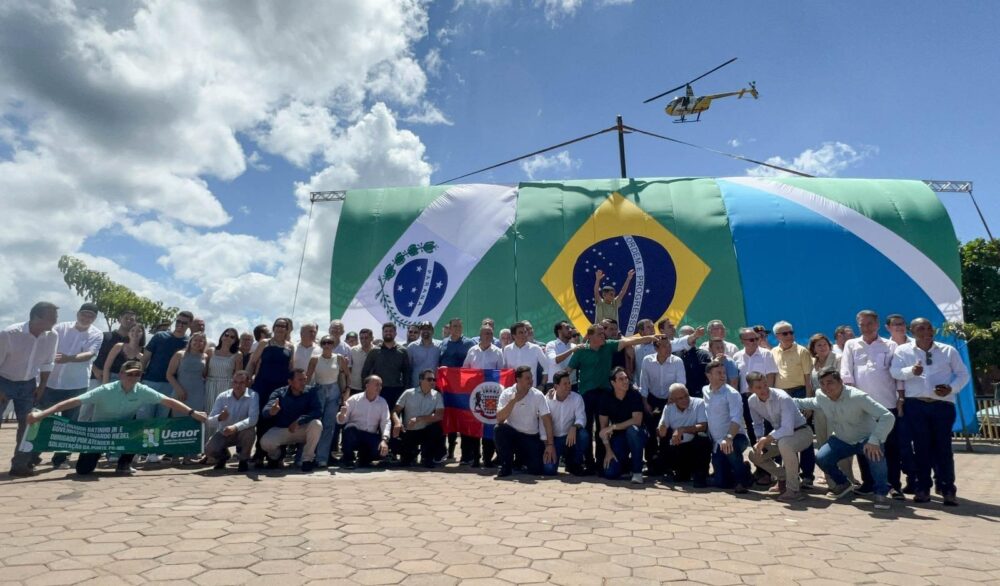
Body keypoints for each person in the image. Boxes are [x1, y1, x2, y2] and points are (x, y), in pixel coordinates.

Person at [24, 360, 208, 476]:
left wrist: (193, 413)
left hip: (124, 432)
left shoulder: (143, 390)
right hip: (98, 433)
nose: (133, 377)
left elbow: (168, 401)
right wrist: (42, 414)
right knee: (83, 471)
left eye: (137, 374)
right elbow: (73, 402)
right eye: (130, 374)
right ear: (121, 375)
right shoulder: (105, 390)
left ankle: (124, 464)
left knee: (140, 427)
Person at [890, 318, 970, 506]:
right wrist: (911, 371)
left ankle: (948, 488)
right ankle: (922, 488)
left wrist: (951, 388)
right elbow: (895, 372)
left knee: (943, 448)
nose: (926, 331)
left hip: (942, 405)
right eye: (921, 328)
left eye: (929, 328)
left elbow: (963, 374)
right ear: (912, 330)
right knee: (921, 448)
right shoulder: (903, 350)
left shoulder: (947, 350)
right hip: (916, 405)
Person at [794, 368, 895, 510]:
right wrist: (781, 399)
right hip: (843, 440)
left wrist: (875, 439)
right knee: (822, 458)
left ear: (841, 382)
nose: (826, 387)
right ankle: (843, 484)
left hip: (867, 440)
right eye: (822, 383)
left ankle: (881, 493)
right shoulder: (822, 396)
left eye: (830, 383)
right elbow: (809, 403)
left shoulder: (858, 396)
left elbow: (887, 416)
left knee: (876, 456)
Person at [566, 324, 660, 473]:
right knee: (587, 428)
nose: (603, 336)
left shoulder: (609, 346)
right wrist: (555, 386)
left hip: (604, 393)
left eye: (604, 334)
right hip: (587, 395)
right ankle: (589, 463)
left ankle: (602, 461)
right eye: (599, 334)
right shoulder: (580, 351)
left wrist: (651, 337)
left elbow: (630, 342)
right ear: (590, 337)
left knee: (602, 429)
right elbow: (568, 370)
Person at [841, 310, 908, 499]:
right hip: (862, 406)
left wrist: (901, 398)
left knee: (891, 447)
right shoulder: (851, 344)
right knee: (864, 446)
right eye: (862, 324)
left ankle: (894, 485)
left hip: (887, 404)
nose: (866, 327)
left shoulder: (891, 345)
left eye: (870, 323)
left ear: (877, 324)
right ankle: (869, 483)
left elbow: (898, 375)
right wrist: (851, 400)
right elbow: (846, 372)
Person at [37, 303, 103, 469]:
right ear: (77, 313)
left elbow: (89, 354)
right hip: (51, 382)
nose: (86, 318)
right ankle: (32, 454)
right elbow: (45, 346)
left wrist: (69, 358)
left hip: (76, 384)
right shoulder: (60, 328)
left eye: (91, 316)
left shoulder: (96, 333)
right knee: (40, 418)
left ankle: (61, 458)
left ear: (94, 318)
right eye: (84, 314)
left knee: (69, 423)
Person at [2, 302, 59, 476]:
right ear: (37, 317)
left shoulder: (52, 336)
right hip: (3, 380)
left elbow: (48, 363)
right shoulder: (9, 334)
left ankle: (20, 465)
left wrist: (42, 386)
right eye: (52, 318)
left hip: (28, 384)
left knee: (27, 426)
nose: (56, 321)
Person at [746, 372, 813, 502]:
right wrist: (760, 440)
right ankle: (783, 477)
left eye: (765, 385)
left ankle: (793, 490)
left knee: (785, 444)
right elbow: (758, 424)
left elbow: (787, 429)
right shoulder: (752, 401)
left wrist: (767, 439)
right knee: (753, 454)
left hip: (802, 432)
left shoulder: (782, 397)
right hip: (780, 436)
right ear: (751, 389)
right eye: (758, 388)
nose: (764, 390)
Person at [770, 321, 816, 489]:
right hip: (781, 395)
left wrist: (809, 403)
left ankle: (808, 476)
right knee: (782, 436)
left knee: (804, 435)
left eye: (791, 332)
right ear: (777, 337)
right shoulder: (773, 352)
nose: (789, 335)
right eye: (785, 333)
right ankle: (785, 477)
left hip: (800, 393)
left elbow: (808, 380)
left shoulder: (802, 351)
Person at [807, 333, 855, 486]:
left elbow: (843, 382)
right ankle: (829, 476)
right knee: (822, 441)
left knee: (838, 441)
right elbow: (810, 385)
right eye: (818, 345)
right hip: (819, 407)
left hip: (836, 405)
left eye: (824, 344)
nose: (822, 347)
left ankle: (846, 477)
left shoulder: (838, 359)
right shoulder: (813, 363)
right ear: (813, 349)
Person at [247, 317, 295, 466]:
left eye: (284, 326)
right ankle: (259, 454)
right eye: (278, 325)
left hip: (280, 388)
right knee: (262, 419)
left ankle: (277, 456)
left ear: (288, 329)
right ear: (273, 328)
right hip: (263, 385)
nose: (280, 328)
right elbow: (252, 362)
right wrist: (247, 378)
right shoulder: (264, 343)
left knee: (278, 419)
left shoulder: (290, 347)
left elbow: (290, 368)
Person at [494, 366, 556, 478]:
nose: (531, 380)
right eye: (527, 378)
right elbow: (500, 418)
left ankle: (520, 461)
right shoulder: (507, 393)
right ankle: (506, 466)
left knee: (537, 470)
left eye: (531, 377)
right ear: (518, 379)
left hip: (531, 437)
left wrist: (550, 445)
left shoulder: (537, 395)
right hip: (513, 435)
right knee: (499, 429)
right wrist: (513, 401)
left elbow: (547, 420)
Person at [703, 359, 752, 493]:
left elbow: (736, 418)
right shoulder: (705, 391)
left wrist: (729, 437)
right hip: (717, 443)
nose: (723, 375)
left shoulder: (732, 394)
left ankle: (742, 481)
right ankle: (744, 469)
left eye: (724, 372)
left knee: (730, 449)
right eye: (718, 373)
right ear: (708, 375)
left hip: (736, 437)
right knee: (721, 483)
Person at [638, 337, 686, 474]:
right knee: (651, 431)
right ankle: (651, 463)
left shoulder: (677, 362)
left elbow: (681, 382)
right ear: (656, 348)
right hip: (652, 399)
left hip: (671, 399)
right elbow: (644, 382)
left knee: (667, 432)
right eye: (664, 346)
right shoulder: (647, 360)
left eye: (669, 345)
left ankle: (667, 464)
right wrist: (645, 401)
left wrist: (673, 399)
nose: (668, 349)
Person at [260, 369, 322, 472]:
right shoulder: (279, 392)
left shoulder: (311, 391)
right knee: (265, 442)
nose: (303, 382)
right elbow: (265, 411)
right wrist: (272, 411)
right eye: (300, 380)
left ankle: (307, 460)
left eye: (305, 379)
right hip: (283, 429)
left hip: (302, 429)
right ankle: (276, 457)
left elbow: (318, 411)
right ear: (290, 381)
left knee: (317, 424)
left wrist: (300, 421)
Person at [140, 311, 193, 421]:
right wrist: (138, 379)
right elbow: (145, 359)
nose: (180, 325)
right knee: (143, 418)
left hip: (171, 386)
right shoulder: (159, 336)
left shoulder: (189, 343)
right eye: (178, 321)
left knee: (162, 420)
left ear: (189, 325)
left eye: (184, 323)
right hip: (150, 382)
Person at [307, 336, 350, 468]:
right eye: (324, 343)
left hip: (334, 391)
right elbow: (308, 378)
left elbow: (348, 375)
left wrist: (347, 390)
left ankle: (322, 458)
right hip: (318, 390)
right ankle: (309, 456)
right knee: (316, 424)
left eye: (330, 343)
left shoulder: (339, 358)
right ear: (321, 345)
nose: (327, 345)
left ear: (333, 345)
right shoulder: (315, 359)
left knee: (328, 426)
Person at [598, 367, 646, 483]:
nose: (625, 381)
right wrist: (608, 450)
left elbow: (637, 421)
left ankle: (637, 472)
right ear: (613, 383)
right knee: (610, 473)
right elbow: (603, 430)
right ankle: (627, 466)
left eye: (626, 378)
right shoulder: (606, 398)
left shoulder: (634, 394)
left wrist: (613, 427)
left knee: (632, 431)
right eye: (621, 379)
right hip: (619, 438)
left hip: (639, 435)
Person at [166, 332, 209, 463]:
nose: (198, 343)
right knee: (178, 424)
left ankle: (189, 455)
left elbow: (205, 375)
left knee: (194, 423)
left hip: (198, 393)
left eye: (201, 341)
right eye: (195, 340)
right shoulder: (180, 355)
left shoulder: (205, 356)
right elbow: (169, 374)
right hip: (180, 392)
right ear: (190, 341)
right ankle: (175, 454)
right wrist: (178, 389)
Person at [657, 384, 711, 486]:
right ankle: (670, 470)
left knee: (702, 438)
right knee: (681, 477)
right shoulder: (669, 407)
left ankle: (701, 474)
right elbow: (662, 429)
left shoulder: (699, 403)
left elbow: (703, 426)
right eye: (680, 398)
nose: (685, 399)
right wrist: (662, 429)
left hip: (694, 446)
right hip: (678, 447)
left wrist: (682, 430)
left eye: (686, 395)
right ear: (673, 399)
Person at [205, 371, 259, 472]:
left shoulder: (253, 396)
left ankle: (243, 460)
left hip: (242, 432)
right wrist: (220, 418)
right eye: (235, 382)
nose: (238, 385)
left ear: (248, 383)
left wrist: (235, 427)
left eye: (241, 382)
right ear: (232, 382)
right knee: (208, 450)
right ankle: (223, 457)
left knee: (250, 432)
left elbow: (253, 419)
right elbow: (209, 421)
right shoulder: (222, 396)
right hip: (224, 432)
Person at [732, 327, 778, 445]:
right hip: (746, 398)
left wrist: (768, 395)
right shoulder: (736, 356)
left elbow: (771, 376)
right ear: (742, 341)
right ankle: (758, 458)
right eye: (751, 339)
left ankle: (775, 458)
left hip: (764, 396)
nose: (755, 341)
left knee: (770, 426)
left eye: (756, 339)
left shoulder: (766, 354)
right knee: (751, 426)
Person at [392, 369, 445, 467]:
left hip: (426, 431)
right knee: (406, 461)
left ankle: (427, 457)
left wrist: (419, 419)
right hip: (409, 431)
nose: (432, 382)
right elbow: (395, 411)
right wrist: (397, 423)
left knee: (436, 429)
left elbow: (439, 415)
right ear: (421, 380)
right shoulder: (408, 393)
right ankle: (407, 455)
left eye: (434, 379)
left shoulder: (437, 395)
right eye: (429, 379)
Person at [337, 375, 391, 469]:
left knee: (381, 451)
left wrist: (384, 440)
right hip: (356, 434)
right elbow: (342, 421)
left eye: (380, 385)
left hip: (370, 435)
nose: (379, 387)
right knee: (350, 429)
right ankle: (348, 459)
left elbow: (386, 421)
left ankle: (364, 459)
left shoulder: (382, 402)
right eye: (376, 384)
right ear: (367, 385)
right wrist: (341, 415)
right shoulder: (354, 399)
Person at [543, 370, 588, 476]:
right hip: (553, 440)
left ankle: (575, 463)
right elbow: (542, 425)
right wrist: (548, 445)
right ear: (556, 386)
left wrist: (574, 426)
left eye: (569, 383)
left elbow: (582, 419)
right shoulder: (547, 400)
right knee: (549, 470)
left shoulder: (576, 398)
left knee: (583, 435)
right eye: (565, 383)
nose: (569, 386)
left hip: (570, 438)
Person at [362, 322, 411, 414]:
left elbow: (406, 373)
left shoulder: (403, 351)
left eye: (391, 331)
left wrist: (405, 390)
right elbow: (365, 371)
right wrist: (366, 389)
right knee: (376, 417)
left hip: (396, 390)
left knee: (393, 416)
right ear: (382, 333)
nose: (388, 333)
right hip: (378, 390)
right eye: (386, 331)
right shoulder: (374, 351)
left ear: (395, 333)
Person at [91, 309, 136, 389]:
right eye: (126, 318)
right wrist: (95, 370)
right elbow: (89, 353)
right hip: (97, 378)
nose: (128, 320)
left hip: (119, 382)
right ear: (119, 319)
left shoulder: (132, 342)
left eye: (132, 319)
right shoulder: (104, 336)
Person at [206, 329, 242, 419]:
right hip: (210, 385)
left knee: (223, 413)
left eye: (232, 337)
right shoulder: (210, 351)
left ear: (235, 341)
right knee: (208, 411)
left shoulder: (237, 355)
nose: (228, 338)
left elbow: (238, 375)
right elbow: (205, 370)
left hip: (227, 386)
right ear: (222, 336)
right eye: (226, 335)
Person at [503, 321, 550, 387]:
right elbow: (505, 370)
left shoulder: (536, 348)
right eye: (521, 333)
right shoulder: (507, 349)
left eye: (525, 332)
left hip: (531, 390)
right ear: (513, 335)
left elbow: (547, 368)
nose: (524, 335)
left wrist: (542, 386)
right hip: (513, 391)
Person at [676, 326, 712, 398]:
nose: (692, 338)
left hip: (699, 396)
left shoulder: (703, 355)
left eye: (694, 335)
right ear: (680, 338)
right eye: (688, 336)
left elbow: (709, 377)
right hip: (679, 397)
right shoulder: (674, 355)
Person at [545, 321, 578, 388]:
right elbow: (554, 360)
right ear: (559, 331)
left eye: (570, 328)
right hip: (555, 385)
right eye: (567, 328)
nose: (570, 330)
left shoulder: (574, 346)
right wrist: (571, 350)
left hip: (572, 385)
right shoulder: (551, 345)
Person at [407, 321, 439, 388]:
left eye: (428, 329)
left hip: (433, 387)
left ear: (432, 331)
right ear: (420, 332)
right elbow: (408, 368)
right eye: (423, 329)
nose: (425, 331)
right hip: (416, 387)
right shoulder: (412, 347)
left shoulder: (439, 346)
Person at [349, 329, 375, 395]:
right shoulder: (353, 350)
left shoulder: (377, 351)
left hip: (372, 387)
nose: (363, 340)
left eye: (366, 338)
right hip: (355, 387)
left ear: (372, 338)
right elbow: (349, 368)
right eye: (361, 338)